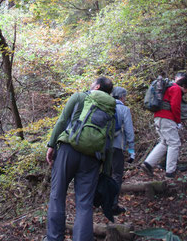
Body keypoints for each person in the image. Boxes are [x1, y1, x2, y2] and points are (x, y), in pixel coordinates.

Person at [44, 77, 115, 241]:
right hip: (93, 158)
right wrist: (106, 170)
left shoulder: (79, 96)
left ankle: (54, 238)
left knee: (57, 195)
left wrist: (51, 144)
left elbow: (62, 121)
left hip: (68, 149)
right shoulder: (111, 110)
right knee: (84, 203)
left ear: (97, 86)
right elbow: (109, 142)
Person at [142, 75, 187, 178]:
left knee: (164, 142)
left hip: (158, 118)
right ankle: (170, 172)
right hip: (167, 119)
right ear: (183, 85)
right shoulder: (176, 89)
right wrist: (178, 121)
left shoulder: (169, 88)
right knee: (174, 143)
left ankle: (148, 164)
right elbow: (175, 106)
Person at [111, 86, 135, 215]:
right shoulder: (124, 109)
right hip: (117, 147)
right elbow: (129, 131)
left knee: (104, 174)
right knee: (116, 175)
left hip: (101, 147)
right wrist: (131, 150)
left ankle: (99, 202)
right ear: (121, 97)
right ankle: (113, 205)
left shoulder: (103, 106)